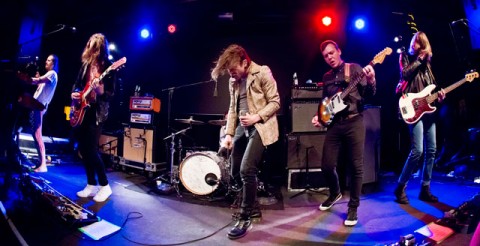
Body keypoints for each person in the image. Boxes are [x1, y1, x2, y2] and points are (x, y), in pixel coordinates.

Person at [211, 44, 280, 239]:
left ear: (245, 62)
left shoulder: (262, 72)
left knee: (246, 169)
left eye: (234, 70)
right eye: (229, 72)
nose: (231, 75)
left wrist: (256, 117)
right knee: (234, 171)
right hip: (243, 126)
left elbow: (275, 101)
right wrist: (229, 136)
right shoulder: (233, 81)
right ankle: (254, 207)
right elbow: (233, 109)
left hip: (260, 126)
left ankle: (245, 215)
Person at [311, 40, 376, 226]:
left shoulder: (354, 69)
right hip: (334, 125)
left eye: (332, 53)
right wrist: (320, 117)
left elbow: (370, 95)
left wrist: (371, 80)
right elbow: (325, 101)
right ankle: (335, 193)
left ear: (339, 51)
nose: (329, 57)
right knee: (326, 165)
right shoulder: (327, 76)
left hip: (354, 121)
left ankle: (353, 208)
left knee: (356, 167)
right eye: (325, 56)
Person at [394, 31, 445, 204]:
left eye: (421, 44)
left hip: (428, 110)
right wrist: (420, 59)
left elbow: (433, 88)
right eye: (416, 42)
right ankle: (400, 187)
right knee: (418, 151)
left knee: (431, 150)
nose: (417, 46)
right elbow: (405, 74)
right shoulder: (405, 57)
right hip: (413, 107)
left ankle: (425, 188)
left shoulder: (428, 66)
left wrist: (440, 94)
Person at [72, 33, 116, 202]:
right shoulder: (85, 65)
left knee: (91, 149)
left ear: (99, 47)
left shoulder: (109, 67)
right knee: (83, 149)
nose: (89, 46)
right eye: (89, 43)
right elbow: (77, 84)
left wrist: (101, 91)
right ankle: (91, 184)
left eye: (93, 44)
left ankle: (105, 186)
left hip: (97, 112)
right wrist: (75, 93)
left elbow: (112, 93)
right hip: (83, 110)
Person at [18, 55, 59, 172]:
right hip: (36, 106)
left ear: (54, 63)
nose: (46, 61)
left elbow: (38, 81)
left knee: (37, 135)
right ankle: (41, 163)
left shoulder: (52, 74)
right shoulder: (49, 75)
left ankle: (43, 165)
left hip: (39, 107)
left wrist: (26, 78)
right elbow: (39, 83)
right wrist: (36, 79)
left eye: (49, 60)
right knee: (35, 135)